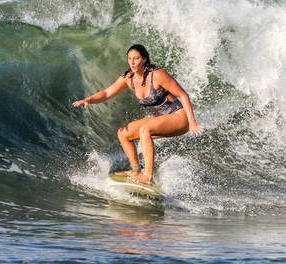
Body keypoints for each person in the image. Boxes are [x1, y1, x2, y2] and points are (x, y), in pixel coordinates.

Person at [73, 44, 203, 185]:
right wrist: (88, 100)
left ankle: (148, 176)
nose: (132, 62)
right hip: (162, 119)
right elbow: (106, 93)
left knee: (145, 129)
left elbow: (183, 95)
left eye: (136, 58)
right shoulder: (128, 78)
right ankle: (136, 170)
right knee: (123, 133)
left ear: (145, 59)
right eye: (130, 59)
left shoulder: (158, 75)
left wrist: (192, 121)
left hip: (179, 117)